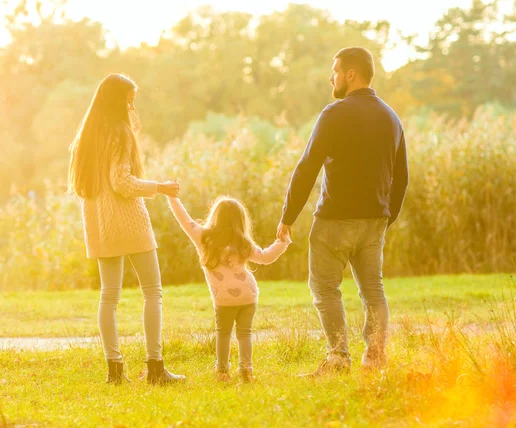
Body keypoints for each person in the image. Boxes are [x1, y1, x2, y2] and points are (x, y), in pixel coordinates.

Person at [277, 47, 409, 375]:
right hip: (373, 220)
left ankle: (337, 358)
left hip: (334, 220)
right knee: (372, 289)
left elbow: (308, 166)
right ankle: (375, 356)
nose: (331, 77)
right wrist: (385, 216)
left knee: (324, 288)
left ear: (351, 74)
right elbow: (402, 177)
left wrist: (288, 216)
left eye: (335, 70)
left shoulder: (334, 114)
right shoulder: (391, 118)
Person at [68, 73, 185, 385]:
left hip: (100, 226)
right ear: (116, 99)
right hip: (128, 221)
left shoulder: (86, 136)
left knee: (109, 296)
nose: (133, 106)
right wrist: (159, 187)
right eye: (129, 100)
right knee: (153, 291)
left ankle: (115, 371)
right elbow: (121, 182)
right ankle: (156, 368)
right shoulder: (119, 133)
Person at [168, 195, 291, 382]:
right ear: (240, 220)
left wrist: (172, 197)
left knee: (223, 334)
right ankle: (246, 371)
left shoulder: (203, 238)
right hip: (248, 296)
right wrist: (283, 242)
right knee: (245, 334)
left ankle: (223, 373)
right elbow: (266, 257)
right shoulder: (243, 243)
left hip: (223, 299)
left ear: (215, 216)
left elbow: (184, 219)